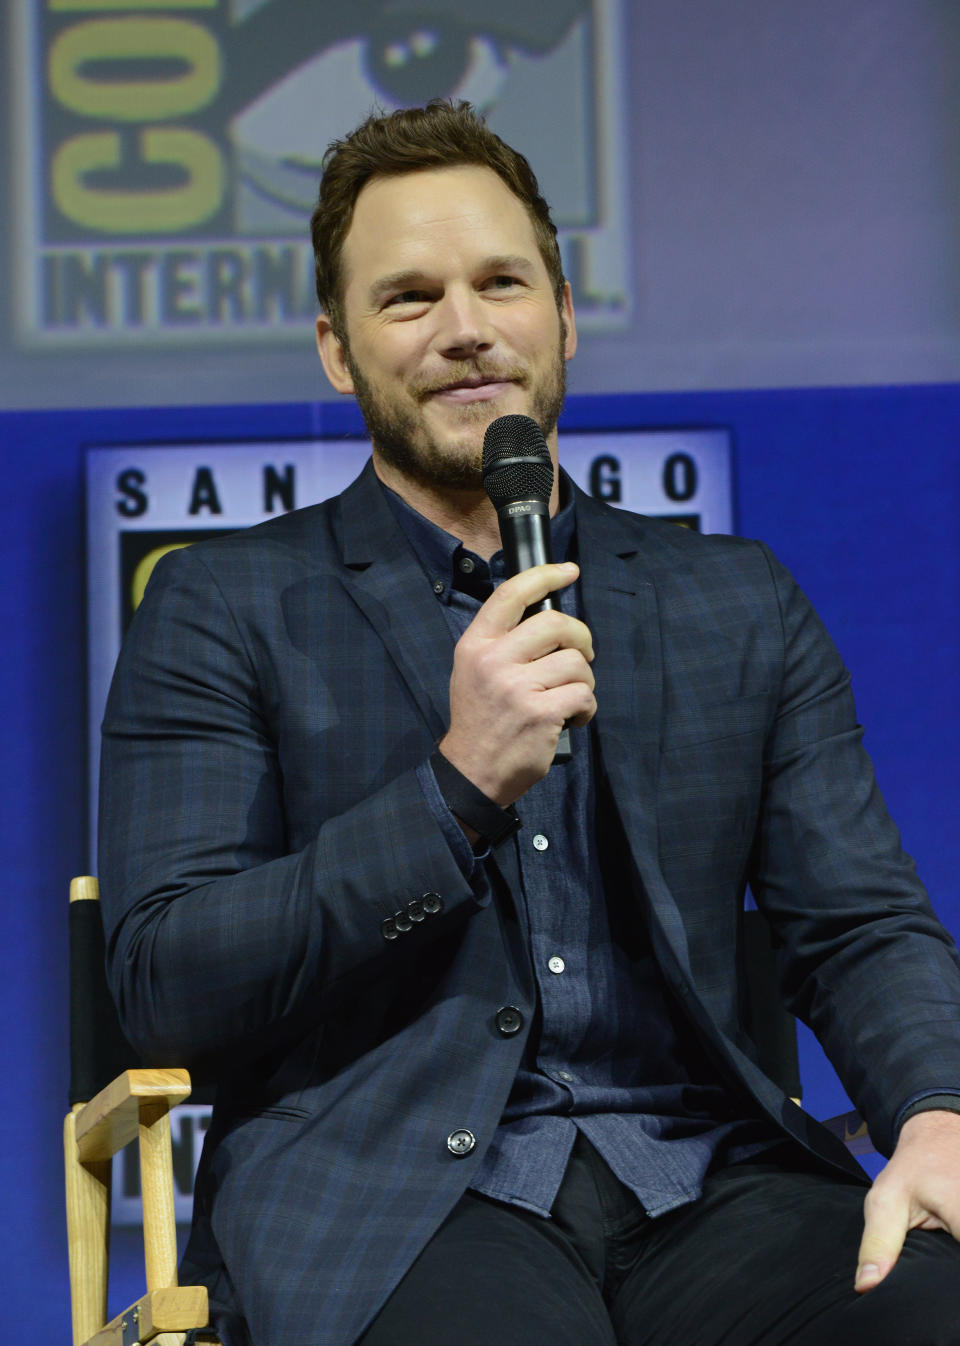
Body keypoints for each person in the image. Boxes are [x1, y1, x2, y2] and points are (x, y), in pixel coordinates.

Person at [98, 100, 960, 1346]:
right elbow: (167, 979)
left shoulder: (734, 598)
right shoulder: (222, 604)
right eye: (408, 298)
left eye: (500, 282)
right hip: (389, 1197)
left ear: (560, 312)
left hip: (712, 1180)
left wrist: (936, 1107)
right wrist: (452, 792)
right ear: (339, 351)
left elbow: (860, 921)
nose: (464, 330)